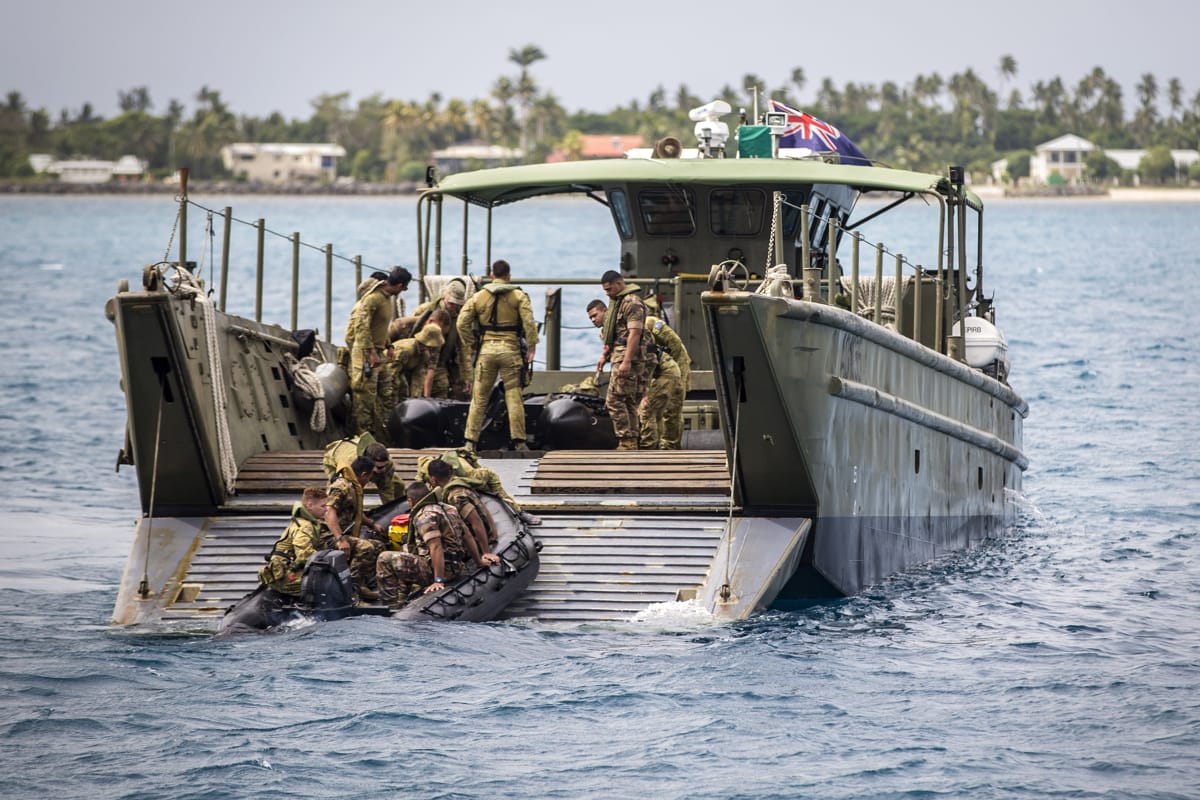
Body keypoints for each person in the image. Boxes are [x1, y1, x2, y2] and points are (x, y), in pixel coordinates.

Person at [457, 259, 539, 451]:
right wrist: (532, 346)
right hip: (510, 351)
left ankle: (470, 442)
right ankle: (519, 442)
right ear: (509, 277)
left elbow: (461, 323)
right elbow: (529, 323)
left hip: (486, 351)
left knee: (479, 397)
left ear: (492, 276)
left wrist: (472, 343)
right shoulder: (519, 296)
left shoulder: (478, 297)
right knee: (513, 396)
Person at [375, 482, 471, 606]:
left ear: (410, 501)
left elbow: (436, 546)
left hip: (442, 571)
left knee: (384, 558)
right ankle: (404, 595)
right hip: (457, 565)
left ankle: (389, 605)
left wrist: (438, 580)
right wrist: (479, 561)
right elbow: (467, 535)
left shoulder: (424, 516)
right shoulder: (448, 509)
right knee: (406, 550)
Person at [346, 266, 410, 441]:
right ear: (399, 285)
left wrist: (388, 346)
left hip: (379, 352)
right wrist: (371, 352)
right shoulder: (372, 299)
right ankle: (361, 437)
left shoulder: (386, 299)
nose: (403, 291)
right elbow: (361, 327)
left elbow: (379, 327)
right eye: (404, 288)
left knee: (385, 393)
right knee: (364, 398)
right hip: (366, 354)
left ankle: (381, 434)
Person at [415, 447, 542, 526]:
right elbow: (419, 483)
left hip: (483, 478)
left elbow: (486, 476)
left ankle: (520, 512)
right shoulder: (427, 471)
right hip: (446, 476)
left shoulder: (471, 474)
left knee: (497, 495)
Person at [598, 270, 651, 450]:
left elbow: (634, 333)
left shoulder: (632, 303)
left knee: (613, 400)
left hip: (628, 358)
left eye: (610, 289)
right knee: (627, 400)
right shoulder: (618, 302)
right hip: (618, 355)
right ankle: (631, 441)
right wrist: (605, 356)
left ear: (620, 284)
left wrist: (627, 361)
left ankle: (626, 440)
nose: (607, 293)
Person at [326, 454, 388, 600]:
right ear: (364, 474)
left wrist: (373, 525)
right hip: (330, 535)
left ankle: (367, 584)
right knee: (365, 548)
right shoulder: (342, 486)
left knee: (378, 546)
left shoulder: (353, 486)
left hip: (345, 534)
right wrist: (340, 539)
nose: (369, 481)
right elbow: (329, 511)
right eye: (369, 477)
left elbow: (356, 512)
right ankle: (353, 591)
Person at [425, 457, 501, 567]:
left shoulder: (456, 496)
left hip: (476, 540)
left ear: (433, 479)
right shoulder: (458, 483)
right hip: (482, 535)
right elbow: (484, 510)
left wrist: (486, 552)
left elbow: (476, 521)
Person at [257, 486, 332, 596]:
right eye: (323, 506)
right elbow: (304, 555)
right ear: (310, 505)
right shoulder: (304, 526)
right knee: (327, 583)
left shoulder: (308, 522)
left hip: (287, 571)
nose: (326, 509)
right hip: (284, 577)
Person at [412, 280, 471, 399]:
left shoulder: (460, 318)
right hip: (420, 362)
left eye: (457, 304)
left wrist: (468, 377)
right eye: (451, 303)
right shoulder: (426, 310)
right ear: (445, 298)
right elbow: (411, 331)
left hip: (441, 363)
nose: (454, 307)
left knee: (443, 391)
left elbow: (464, 350)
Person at [639, 314, 689, 450]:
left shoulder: (652, 324)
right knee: (659, 405)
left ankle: (670, 445)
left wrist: (670, 366)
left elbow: (675, 344)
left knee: (673, 407)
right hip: (658, 366)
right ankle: (664, 442)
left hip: (676, 363)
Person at [321, 434, 404, 504]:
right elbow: (356, 488)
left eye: (385, 466)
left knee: (398, 485)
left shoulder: (387, 463)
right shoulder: (350, 464)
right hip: (334, 459)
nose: (384, 470)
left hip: (363, 463)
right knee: (343, 490)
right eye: (380, 467)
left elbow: (387, 488)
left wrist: (390, 509)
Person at [389, 322, 443, 401]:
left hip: (399, 373)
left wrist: (415, 398)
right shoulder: (407, 350)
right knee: (393, 392)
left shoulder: (424, 354)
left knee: (404, 392)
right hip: (385, 372)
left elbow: (419, 376)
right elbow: (391, 373)